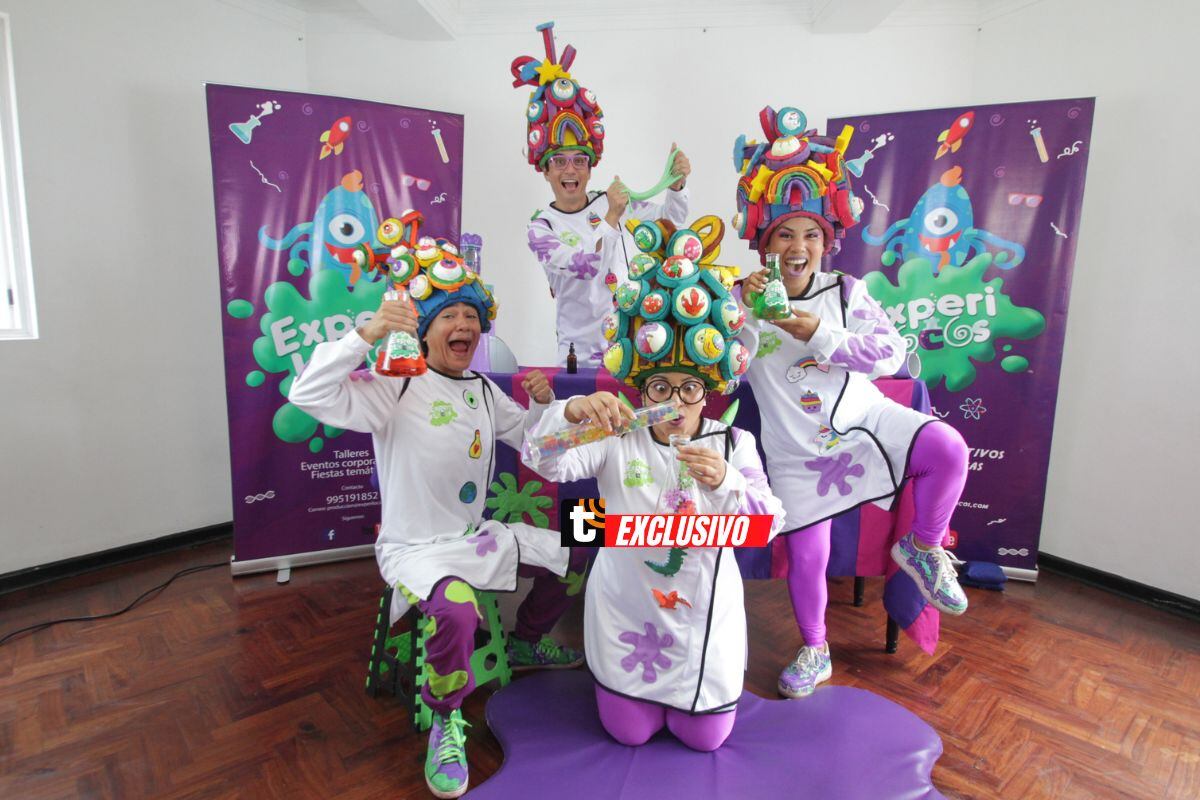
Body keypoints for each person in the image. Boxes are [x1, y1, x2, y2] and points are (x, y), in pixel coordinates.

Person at [289, 222, 586, 799]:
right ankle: (446, 717)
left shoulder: (480, 387)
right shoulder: (394, 384)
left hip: (477, 535)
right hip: (416, 550)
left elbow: (537, 449)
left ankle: (527, 639)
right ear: (424, 330)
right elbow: (308, 395)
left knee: (578, 548)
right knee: (456, 612)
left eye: (472, 316)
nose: (465, 326)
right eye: (450, 315)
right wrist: (365, 333)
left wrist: (552, 409)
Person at [731, 106, 971, 700]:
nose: (798, 246)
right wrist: (738, 323)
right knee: (807, 552)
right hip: (795, 452)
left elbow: (888, 355)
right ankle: (815, 649)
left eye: (810, 234)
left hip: (867, 420)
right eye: (784, 233)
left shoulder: (847, 291)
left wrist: (811, 328)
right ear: (766, 242)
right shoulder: (737, 298)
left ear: (826, 241)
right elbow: (719, 365)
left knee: (946, 446)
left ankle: (922, 544)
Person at [524, 216, 784, 751]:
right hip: (627, 612)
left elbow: (769, 526)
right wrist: (572, 412)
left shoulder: (735, 444)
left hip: (702, 628)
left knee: (706, 739)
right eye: (660, 386)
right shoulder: (616, 432)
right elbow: (541, 459)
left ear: (709, 389)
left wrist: (729, 483)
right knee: (629, 734)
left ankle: (700, 691)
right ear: (641, 387)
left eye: (690, 389)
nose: (675, 402)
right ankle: (626, 688)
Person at [512, 21, 691, 366]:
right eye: (560, 162)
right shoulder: (541, 229)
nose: (570, 170)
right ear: (545, 171)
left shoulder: (608, 201)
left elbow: (671, 223)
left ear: (591, 167)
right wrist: (611, 217)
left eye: (580, 160)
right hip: (582, 358)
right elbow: (585, 266)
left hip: (634, 344)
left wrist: (678, 184)